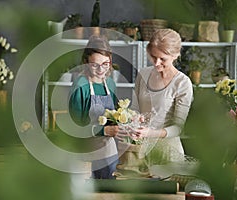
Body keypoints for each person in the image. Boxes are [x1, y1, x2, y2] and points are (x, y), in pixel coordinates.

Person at [131, 28, 193, 164]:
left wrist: (150, 133)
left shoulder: (182, 83)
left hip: (168, 154)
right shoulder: (143, 75)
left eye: (162, 59)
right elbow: (134, 108)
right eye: (153, 56)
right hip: (140, 150)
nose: (156, 63)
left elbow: (177, 128)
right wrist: (135, 118)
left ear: (175, 55)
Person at [68, 35, 119, 179]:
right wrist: (104, 130)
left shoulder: (110, 84)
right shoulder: (80, 86)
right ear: (85, 62)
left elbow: (115, 115)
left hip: (108, 151)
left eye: (105, 64)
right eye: (95, 64)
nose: (101, 69)